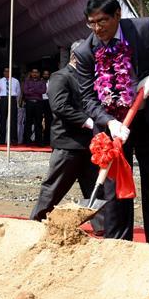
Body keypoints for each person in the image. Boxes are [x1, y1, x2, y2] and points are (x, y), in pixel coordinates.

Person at [74, 0, 149, 251]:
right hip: (115, 130)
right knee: (114, 191)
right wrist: (109, 122)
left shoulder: (144, 28)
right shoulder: (85, 51)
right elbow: (88, 97)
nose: (97, 28)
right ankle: (118, 249)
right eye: (91, 23)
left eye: (102, 20)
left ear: (117, 15)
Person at [30, 42, 103, 232]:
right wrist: (88, 121)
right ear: (76, 56)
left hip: (89, 143)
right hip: (68, 143)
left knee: (95, 186)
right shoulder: (60, 77)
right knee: (53, 187)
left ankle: (103, 225)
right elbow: (59, 106)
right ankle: (35, 222)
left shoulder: (89, 77)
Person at [0, 67, 20, 144]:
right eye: (6, 71)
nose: (7, 72)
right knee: (2, 120)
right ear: (3, 72)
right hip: (3, 99)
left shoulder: (16, 81)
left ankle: (13, 140)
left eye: (9, 71)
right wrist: (2, 100)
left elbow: (18, 92)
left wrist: (14, 100)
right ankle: (2, 139)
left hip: (12, 99)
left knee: (13, 120)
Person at [41, 69, 52, 145]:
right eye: (44, 74)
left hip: (48, 102)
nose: (46, 75)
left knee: (48, 121)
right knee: (39, 121)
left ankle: (47, 140)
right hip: (40, 101)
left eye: (47, 74)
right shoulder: (40, 82)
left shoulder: (51, 83)